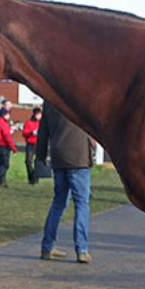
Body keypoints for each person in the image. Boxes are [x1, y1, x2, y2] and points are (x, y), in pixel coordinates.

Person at [36, 101, 94, 264]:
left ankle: (47, 247)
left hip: (58, 156)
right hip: (79, 156)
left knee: (58, 203)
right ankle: (81, 250)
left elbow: (43, 131)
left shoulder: (50, 101)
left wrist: (40, 155)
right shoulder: (80, 95)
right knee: (81, 203)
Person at [0, 105, 17, 188]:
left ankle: (3, 182)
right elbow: (7, 136)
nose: (9, 116)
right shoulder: (4, 124)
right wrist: (13, 148)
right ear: (5, 115)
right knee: (5, 165)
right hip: (4, 146)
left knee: (0, 164)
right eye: (8, 114)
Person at [22, 107, 42, 185]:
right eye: (37, 115)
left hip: (39, 143)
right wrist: (31, 133)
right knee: (28, 161)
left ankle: (36, 178)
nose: (39, 116)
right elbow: (24, 133)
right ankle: (31, 176)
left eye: (40, 115)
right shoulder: (28, 122)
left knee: (38, 161)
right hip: (30, 143)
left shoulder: (42, 123)